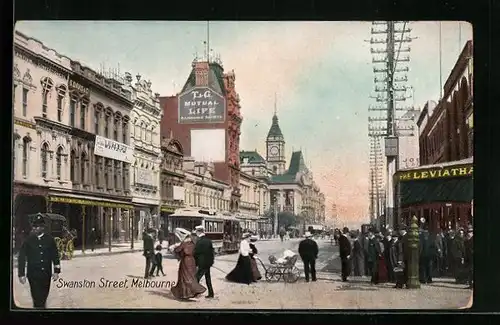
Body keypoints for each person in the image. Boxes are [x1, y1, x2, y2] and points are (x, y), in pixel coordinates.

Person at [18, 214, 61, 309]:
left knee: (44, 297)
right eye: (34, 226)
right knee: (37, 299)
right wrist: (21, 274)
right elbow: (21, 257)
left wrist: (56, 272)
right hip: (33, 275)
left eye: (37, 226)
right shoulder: (28, 240)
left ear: (42, 227)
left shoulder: (50, 240)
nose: (35, 228)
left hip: (46, 274)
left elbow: (55, 256)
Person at [171, 234, 207, 300]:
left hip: (186, 261)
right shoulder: (194, 244)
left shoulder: (184, 244)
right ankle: (192, 292)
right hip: (192, 261)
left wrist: (177, 246)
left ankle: (186, 293)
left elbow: (177, 250)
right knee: (191, 277)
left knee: (184, 277)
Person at [193, 225, 215, 298]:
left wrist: (195, 263)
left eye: (196, 231)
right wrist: (211, 262)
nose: (196, 233)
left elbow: (196, 253)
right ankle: (211, 293)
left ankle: (195, 293)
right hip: (208, 263)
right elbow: (212, 252)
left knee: (196, 278)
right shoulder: (209, 240)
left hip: (202, 264)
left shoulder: (199, 241)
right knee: (208, 278)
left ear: (199, 232)